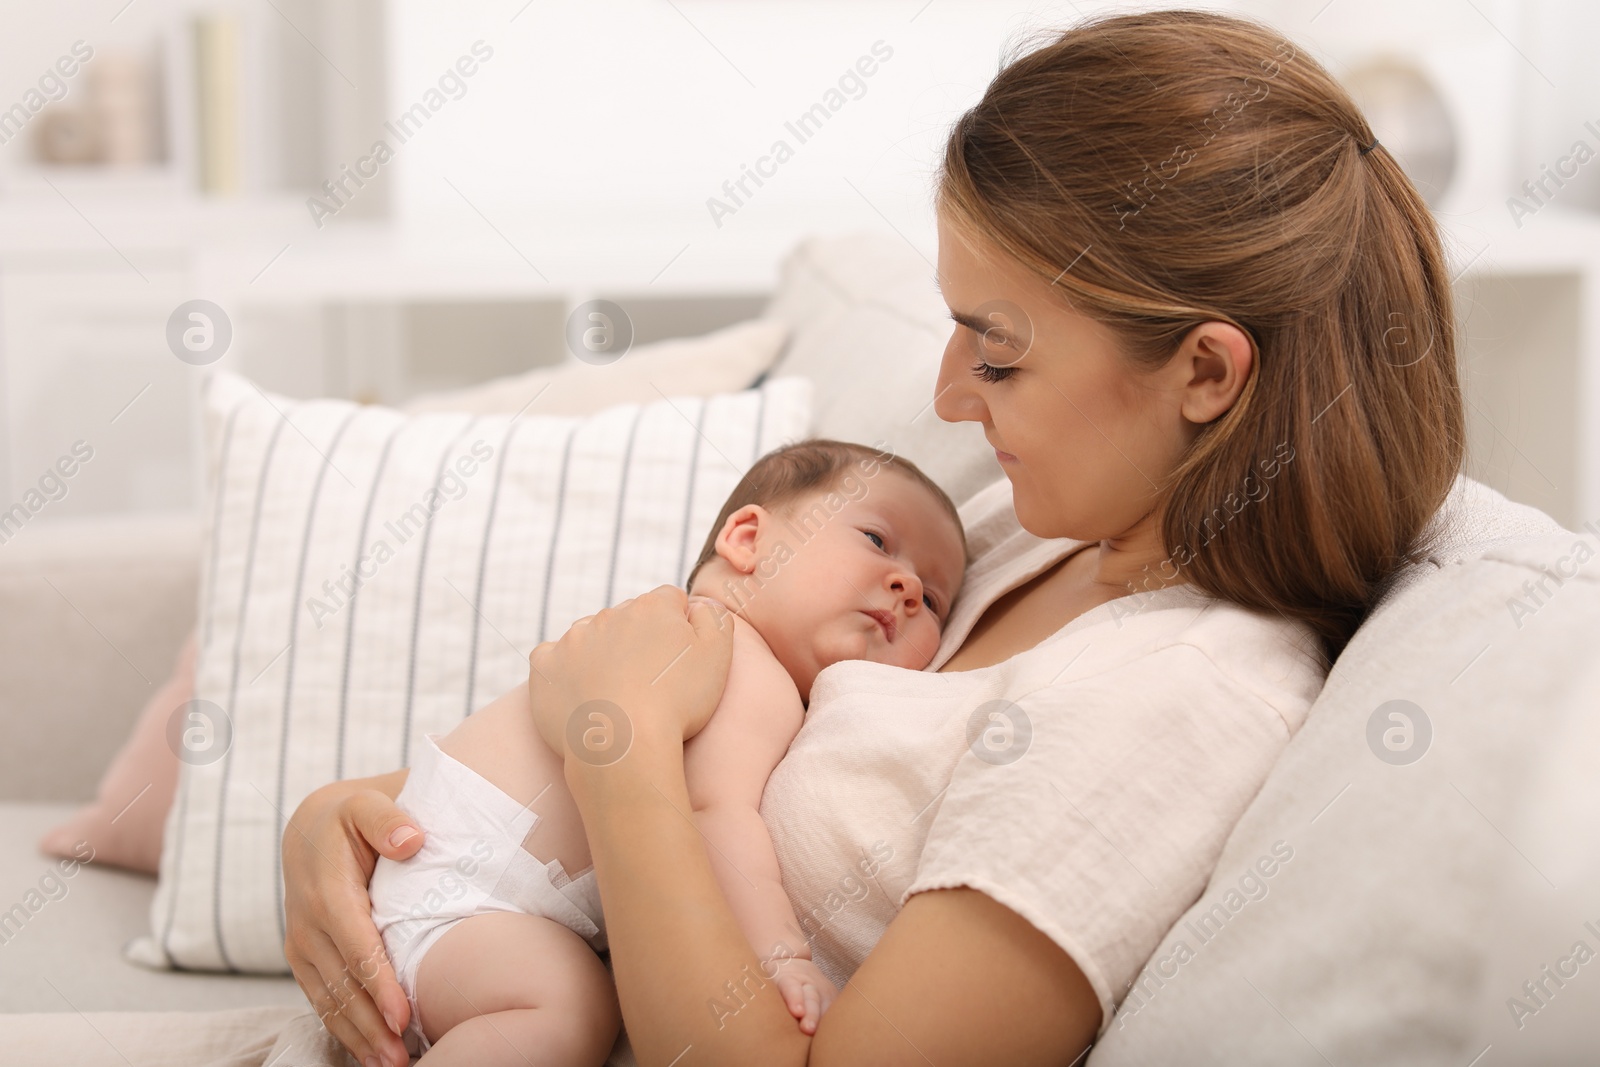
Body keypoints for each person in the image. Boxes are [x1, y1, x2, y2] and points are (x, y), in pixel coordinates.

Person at [283, 10, 1465, 1066]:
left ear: (1203, 371)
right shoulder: (1037, 527)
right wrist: (341, 825)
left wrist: (619, 738)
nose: (952, 395)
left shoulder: (1172, 699)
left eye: (997, 349)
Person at [363, 439, 967, 1063]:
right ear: (748, 539)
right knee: (568, 1006)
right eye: (876, 539)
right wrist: (781, 958)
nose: (910, 587)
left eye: (938, 600)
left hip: (442, 893)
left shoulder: (673, 636)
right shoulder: (735, 659)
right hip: (458, 900)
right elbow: (713, 821)